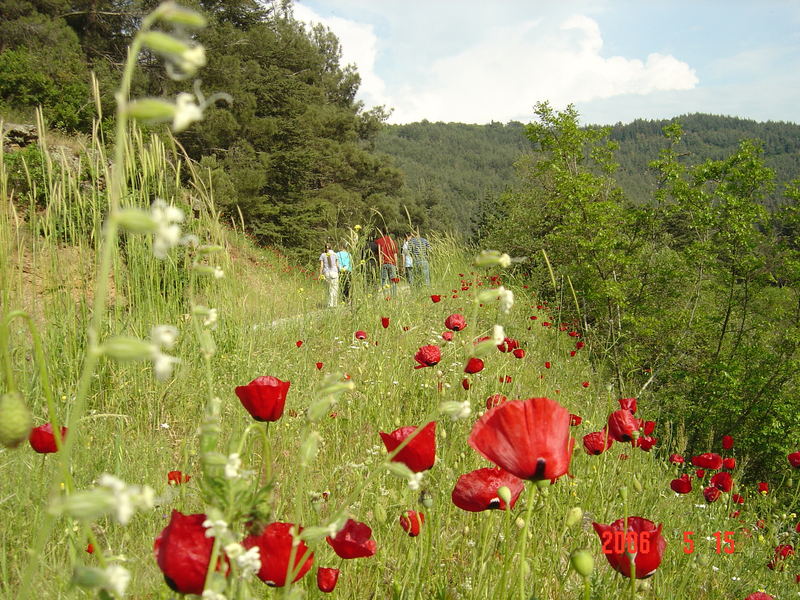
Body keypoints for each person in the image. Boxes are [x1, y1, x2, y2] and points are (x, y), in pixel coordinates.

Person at [319, 243, 340, 307]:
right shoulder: (335, 254)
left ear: (325, 248)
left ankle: (329, 304)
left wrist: (320, 274)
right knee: (335, 288)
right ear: (331, 247)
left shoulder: (323, 255)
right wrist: (339, 271)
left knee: (328, 289)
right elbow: (337, 265)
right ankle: (335, 304)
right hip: (334, 272)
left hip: (327, 273)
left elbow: (321, 266)